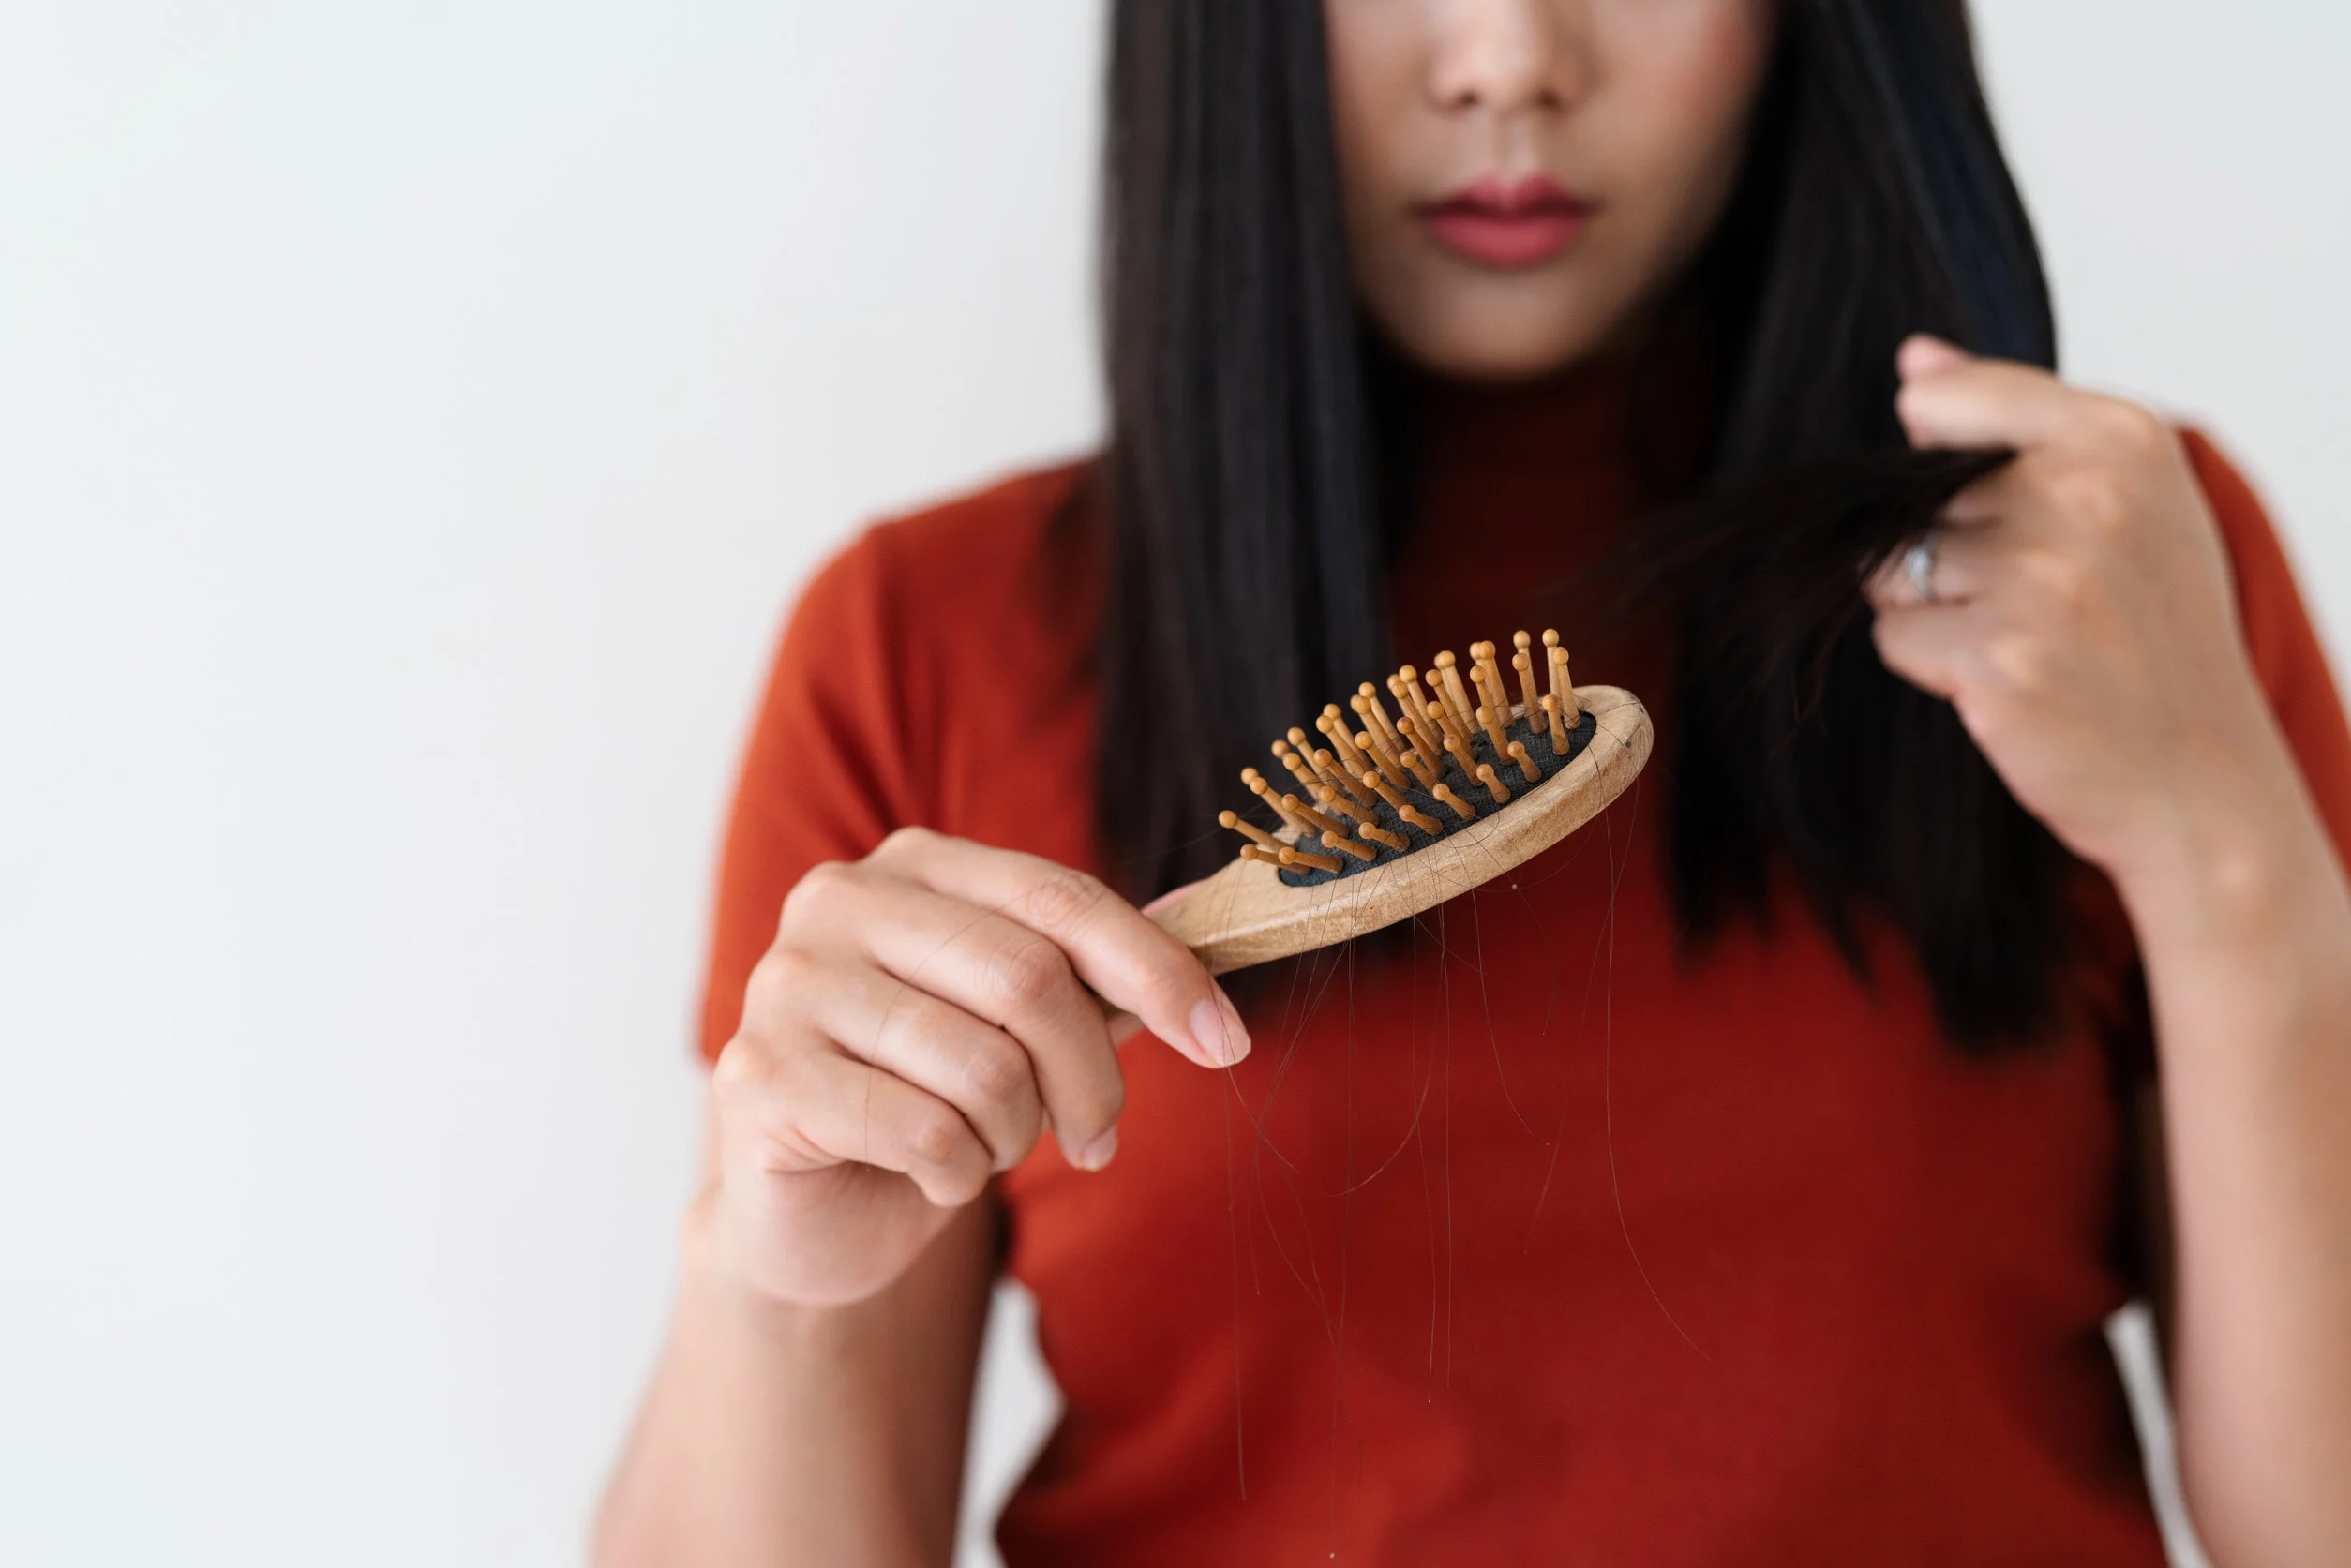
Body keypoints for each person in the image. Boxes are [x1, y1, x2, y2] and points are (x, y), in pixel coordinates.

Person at [597, 2, 2351, 1562]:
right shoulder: (925, 647)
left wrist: (2235, 869)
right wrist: (774, 1289)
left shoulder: (2114, 585)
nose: (1510, 54)